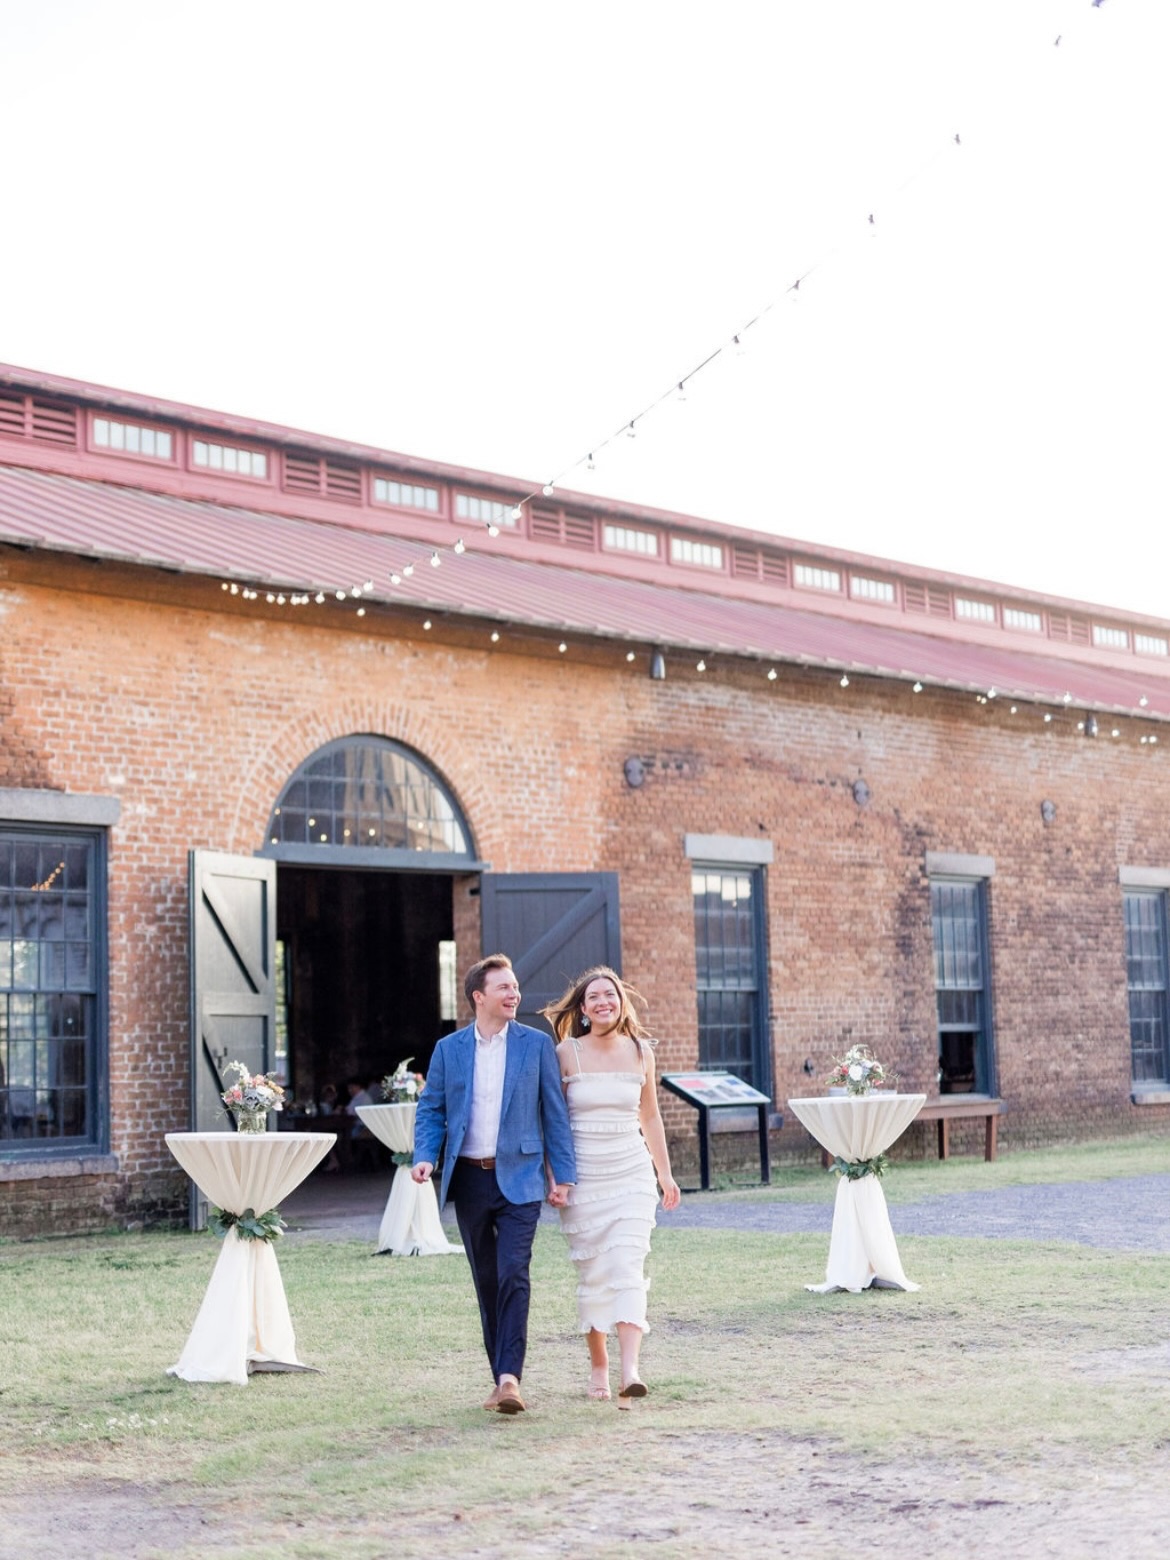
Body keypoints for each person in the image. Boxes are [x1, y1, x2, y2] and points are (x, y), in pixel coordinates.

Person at [413, 953, 576, 1414]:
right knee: (486, 1281)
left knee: (513, 1274)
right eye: (504, 987)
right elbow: (432, 1109)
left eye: (516, 986)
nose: (515, 994)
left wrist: (562, 1175)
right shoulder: (449, 1050)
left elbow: (553, 1114)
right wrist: (426, 1156)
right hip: (468, 1180)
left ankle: (510, 1380)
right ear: (478, 997)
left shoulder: (536, 1045)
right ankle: (499, 1378)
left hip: (521, 1180)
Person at [542, 966, 680, 1404]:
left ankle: (630, 1369)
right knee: (595, 1273)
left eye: (612, 995)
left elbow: (650, 1116)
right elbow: (554, 1120)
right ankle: (599, 1367)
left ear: (622, 1003)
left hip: (631, 1173)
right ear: (582, 1009)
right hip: (583, 1177)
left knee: (626, 1267)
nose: (604, 1002)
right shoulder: (566, 1053)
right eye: (595, 997)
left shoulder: (641, 1051)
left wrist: (665, 1173)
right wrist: (555, 1176)